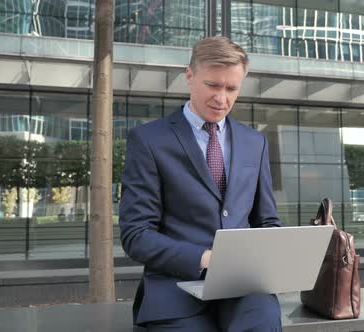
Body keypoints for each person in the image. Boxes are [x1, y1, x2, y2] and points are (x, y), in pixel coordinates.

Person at [119, 36, 282, 331]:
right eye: (213, 85)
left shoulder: (255, 142)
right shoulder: (148, 140)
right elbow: (136, 234)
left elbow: (267, 221)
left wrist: (277, 255)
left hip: (243, 288)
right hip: (174, 289)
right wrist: (205, 258)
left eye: (232, 88)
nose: (222, 98)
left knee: (263, 322)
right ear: (190, 76)